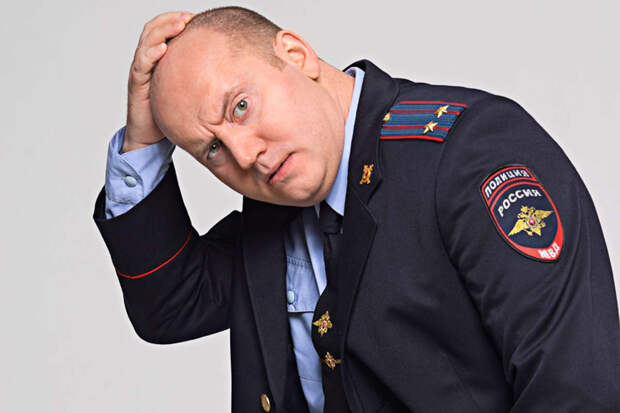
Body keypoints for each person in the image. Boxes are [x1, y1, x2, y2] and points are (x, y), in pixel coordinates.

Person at [92, 6, 620, 413]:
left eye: (241, 107)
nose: (244, 154)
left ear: (296, 54)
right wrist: (143, 139)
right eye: (212, 149)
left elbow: (577, 390)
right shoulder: (276, 210)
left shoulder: (470, 154)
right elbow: (171, 304)